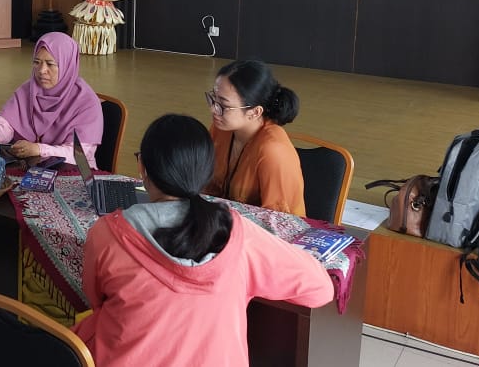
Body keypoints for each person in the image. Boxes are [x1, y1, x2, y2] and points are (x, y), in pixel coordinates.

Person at [73, 114, 333, 365]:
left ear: (143, 169)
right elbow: (321, 289)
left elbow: (95, 299)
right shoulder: (238, 233)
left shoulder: (107, 232)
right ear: (207, 173)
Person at [0, 31, 104, 166]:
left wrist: (39, 149)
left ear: (67, 65)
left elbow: (79, 156)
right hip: (32, 168)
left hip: (73, 171)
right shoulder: (28, 90)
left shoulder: (86, 103)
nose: (42, 70)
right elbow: (6, 122)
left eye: (50, 64)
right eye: (37, 62)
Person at [203, 59, 305, 215]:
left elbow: (277, 221)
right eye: (213, 99)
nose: (213, 109)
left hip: (263, 228)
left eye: (223, 105)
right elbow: (207, 186)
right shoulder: (221, 128)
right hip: (226, 220)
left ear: (255, 112)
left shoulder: (273, 151)